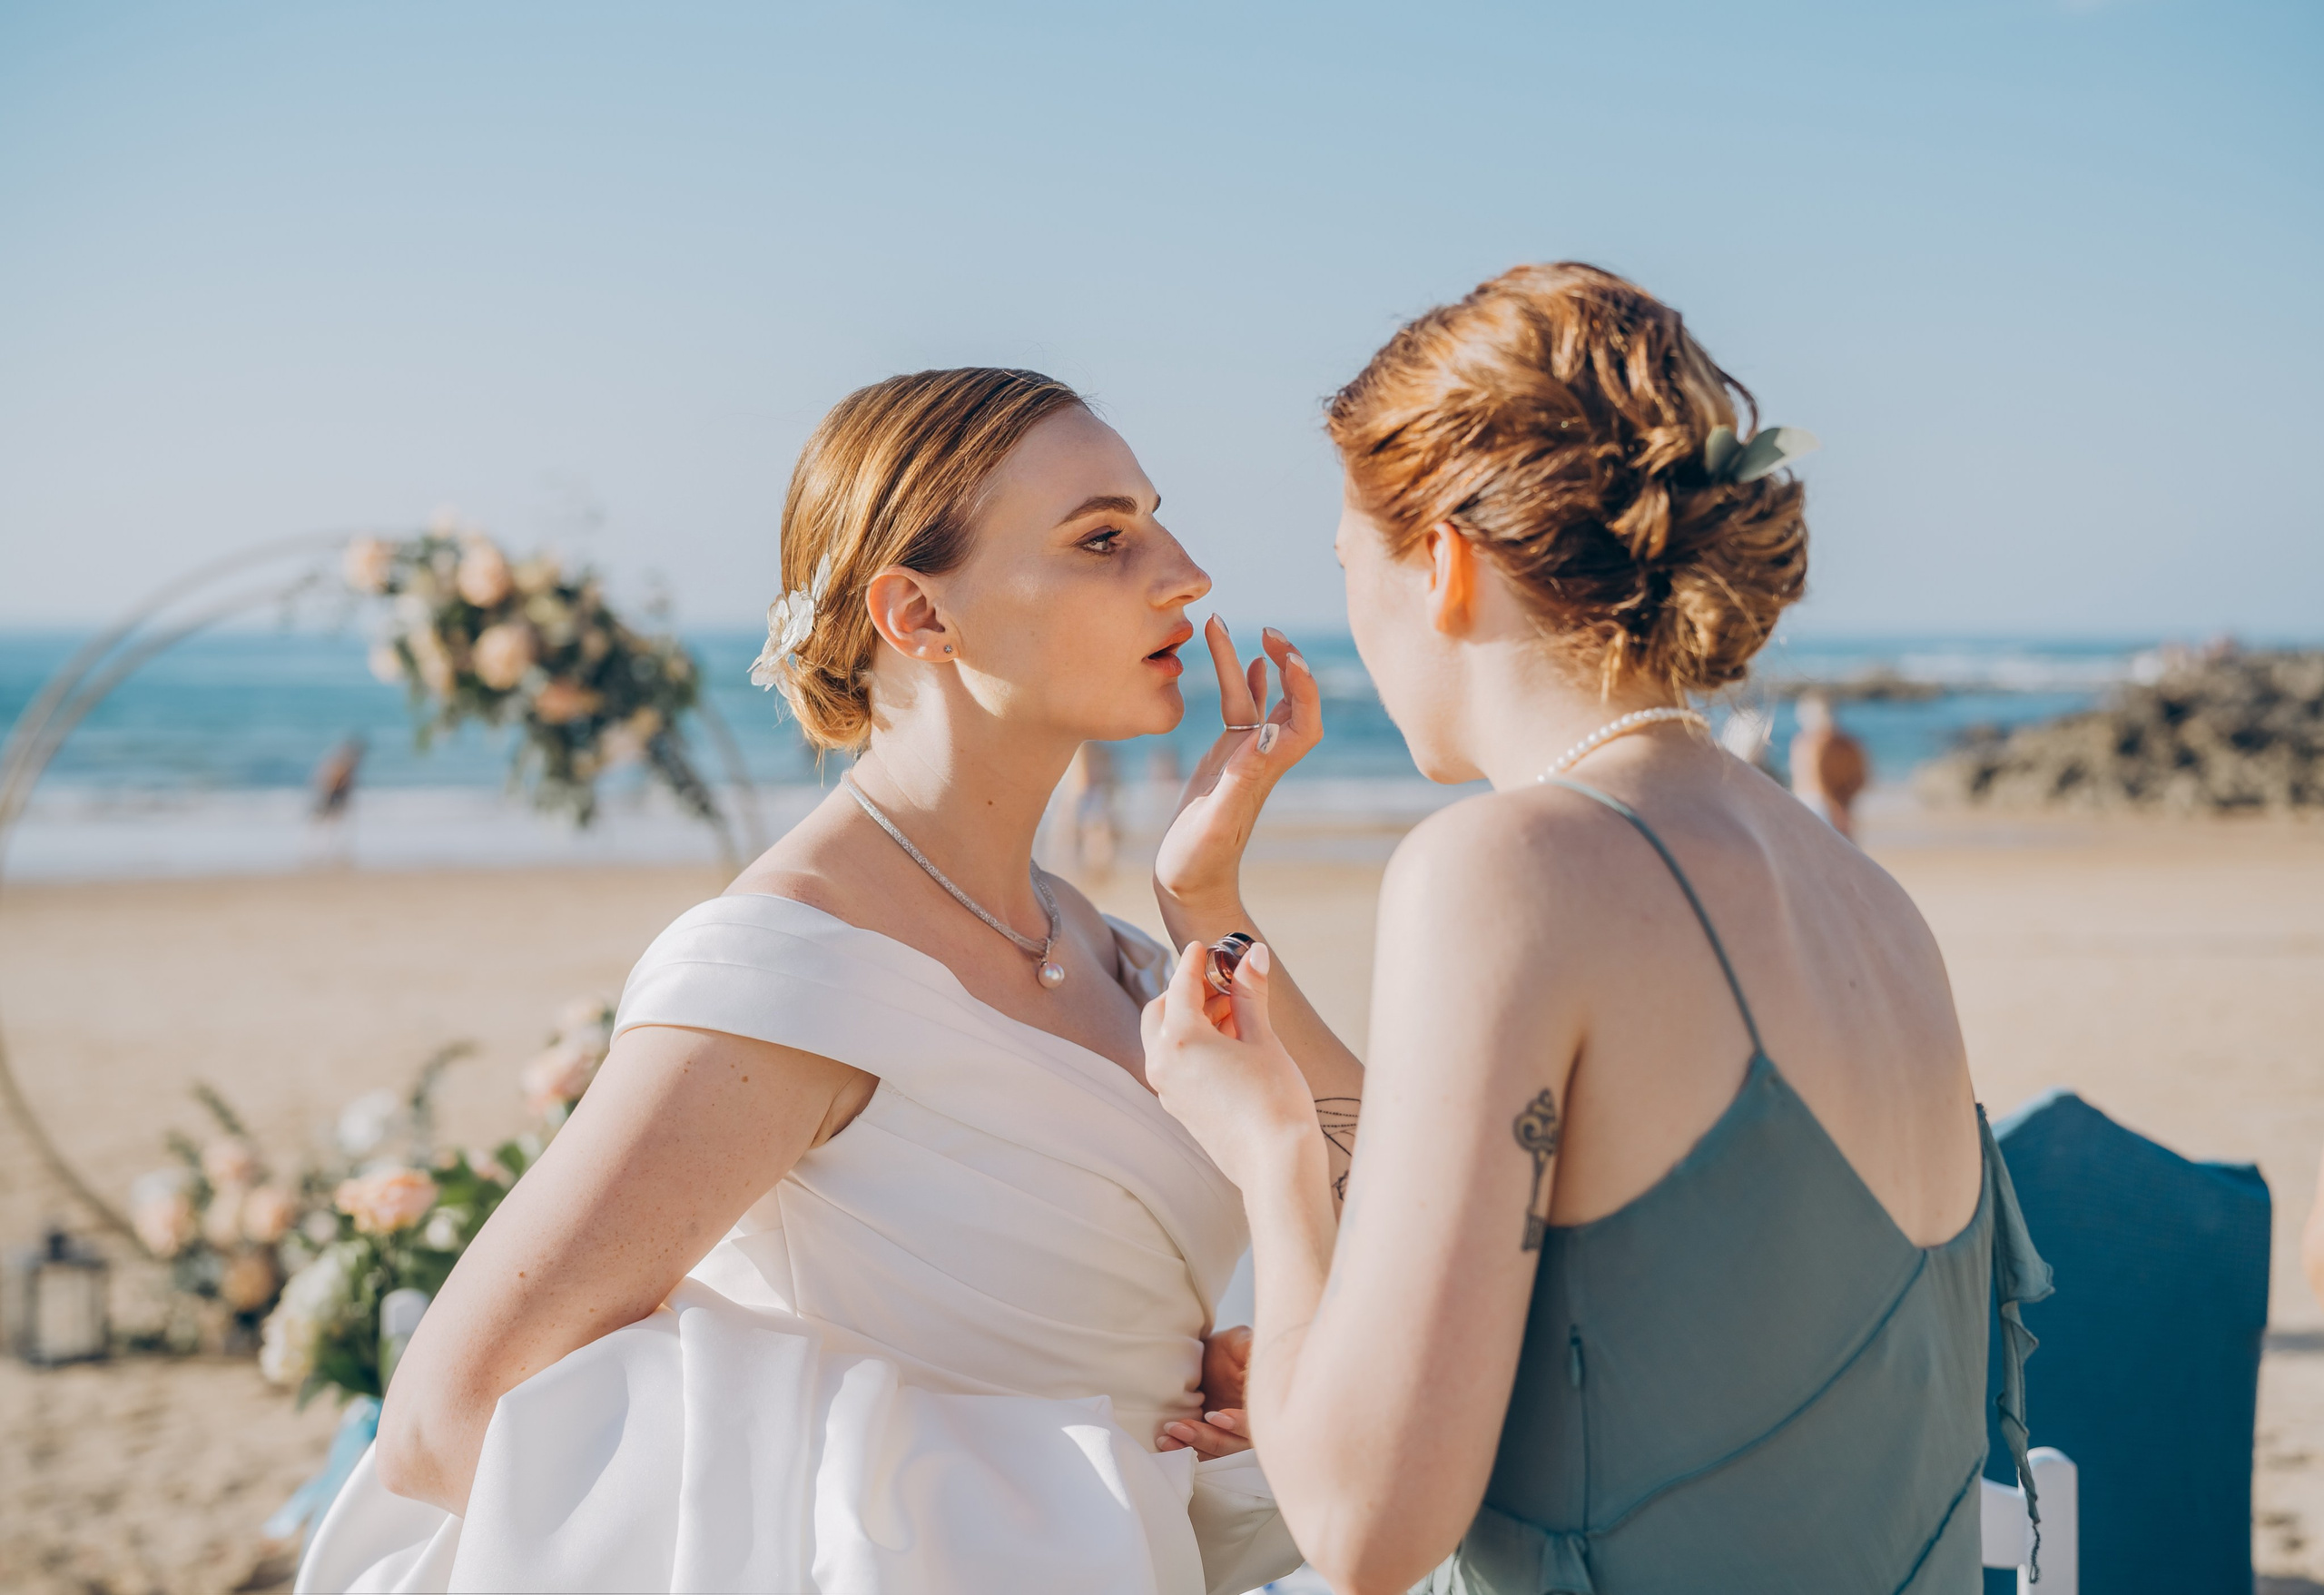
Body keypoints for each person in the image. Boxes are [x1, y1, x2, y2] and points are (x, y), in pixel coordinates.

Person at [300, 368, 1354, 1594]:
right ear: (916, 611)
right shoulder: (787, 969)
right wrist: (1032, 1496)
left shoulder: (1118, 945)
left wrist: (1208, 904)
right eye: (1103, 537)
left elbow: (1399, 1185)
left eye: (1153, 521)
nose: (1184, 572)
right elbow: (451, 1422)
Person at [1141, 265, 2050, 1593]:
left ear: (1445, 564)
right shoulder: (1863, 898)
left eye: (1352, 566)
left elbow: (1363, 1527)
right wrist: (1207, 909)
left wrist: (1270, 1155)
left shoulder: (1509, 867)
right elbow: (1545, 1178)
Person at [1788, 691, 1868, 838]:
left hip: (1815, 806)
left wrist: (1837, 806)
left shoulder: (1808, 743)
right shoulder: (1848, 742)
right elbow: (1861, 777)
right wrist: (1845, 801)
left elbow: (1815, 780)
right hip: (1830, 804)